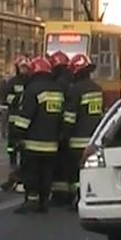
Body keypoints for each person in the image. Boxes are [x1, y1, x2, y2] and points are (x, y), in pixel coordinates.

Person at [12, 56, 65, 214]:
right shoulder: (58, 90)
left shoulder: (32, 89)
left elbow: (25, 117)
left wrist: (17, 136)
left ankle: (32, 201)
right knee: (47, 173)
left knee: (32, 172)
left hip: (33, 143)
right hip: (52, 143)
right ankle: (44, 202)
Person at [62, 54, 103, 211]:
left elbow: (70, 117)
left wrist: (64, 134)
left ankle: (78, 198)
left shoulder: (75, 90)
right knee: (91, 170)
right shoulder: (97, 89)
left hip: (77, 140)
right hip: (93, 139)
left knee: (75, 172)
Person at [0, 55, 31, 192]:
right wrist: (18, 99)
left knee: (24, 147)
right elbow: (5, 97)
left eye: (26, 67)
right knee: (12, 146)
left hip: (26, 120)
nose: (24, 70)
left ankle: (21, 172)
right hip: (14, 119)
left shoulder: (31, 81)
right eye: (22, 67)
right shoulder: (12, 82)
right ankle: (12, 162)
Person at [48, 50, 73, 206]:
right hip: (74, 131)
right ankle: (69, 194)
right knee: (69, 165)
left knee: (59, 165)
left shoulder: (57, 84)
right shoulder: (72, 81)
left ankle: (59, 196)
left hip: (60, 130)